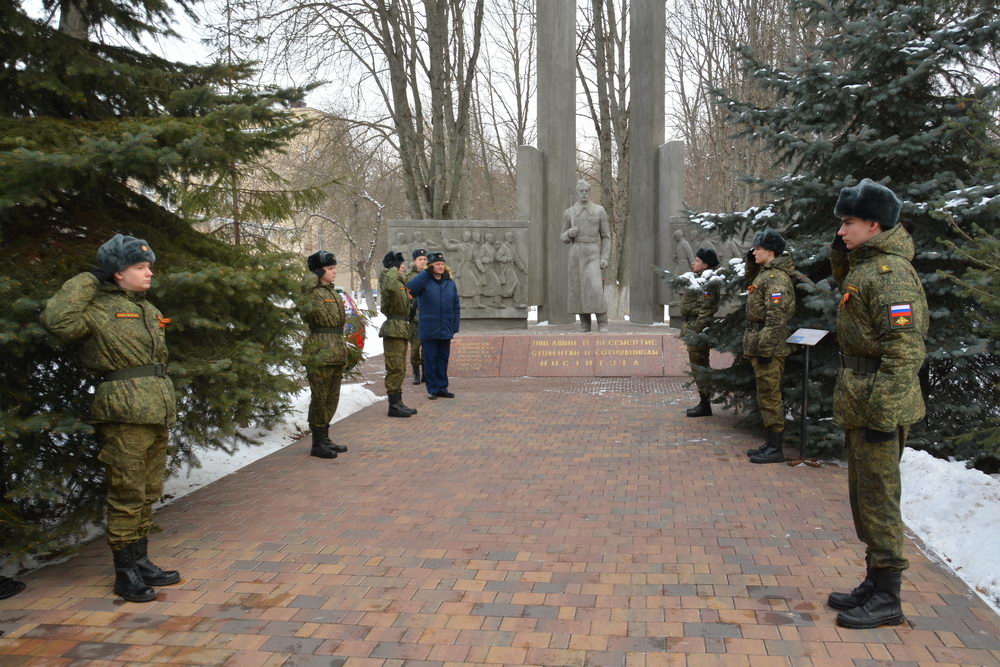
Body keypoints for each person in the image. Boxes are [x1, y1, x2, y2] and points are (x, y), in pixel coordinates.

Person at [41, 234, 180, 603]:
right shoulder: (98, 308)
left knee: (148, 491)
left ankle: (142, 560)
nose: (149, 272)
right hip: (124, 411)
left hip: (154, 410)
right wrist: (90, 278)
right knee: (126, 492)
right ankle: (124, 573)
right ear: (118, 273)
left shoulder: (148, 309)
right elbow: (57, 320)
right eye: (140, 266)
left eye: (148, 266)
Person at [827, 179, 927, 630]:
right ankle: (874, 580)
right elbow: (845, 282)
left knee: (880, 500)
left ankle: (889, 596)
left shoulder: (892, 274)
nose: (842, 231)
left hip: (880, 405)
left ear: (874, 224)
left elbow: (904, 350)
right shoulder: (866, 267)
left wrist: (883, 415)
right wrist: (841, 249)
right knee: (864, 496)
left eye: (848, 223)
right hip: (862, 400)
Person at [742, 228, 796, 464]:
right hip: (761, 343)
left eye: (758, 248)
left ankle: (776, 448)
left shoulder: (777, 279)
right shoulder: (765, 274)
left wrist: (765, 349)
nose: (754, 252)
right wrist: (750, 263)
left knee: (770, 394)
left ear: (771, 252)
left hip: (770, 347)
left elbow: (775, 317)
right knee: (765, 393)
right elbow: (751, 285)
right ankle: (770, 443)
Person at [298, 251, 350, 460]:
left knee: (331, 397)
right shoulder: (311, 291)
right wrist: (312, 274)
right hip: (319, 351)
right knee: (319, 397)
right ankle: (317, 443)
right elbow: (304, 301)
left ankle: (325, 437)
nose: (334, 271)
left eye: (334, 267)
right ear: (319, 271)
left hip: (335, 349)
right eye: (329, 268)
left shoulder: (332, 292)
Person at [407, 252, 460, 400]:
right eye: (437, 264)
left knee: (443, 359)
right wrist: (425, 273)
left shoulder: (450, 283)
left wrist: (455, 325)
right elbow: (411, 288)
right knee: (430, 360)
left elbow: (456, 305)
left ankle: (442, 387)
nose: (440, 267)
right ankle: (432, 389)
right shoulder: (424, 282)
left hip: (446, 328)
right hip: (429, 328)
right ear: (431, 267)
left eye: (442, 264)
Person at [561, 179, 611, 332]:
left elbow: (606, 236)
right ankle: (585, 322)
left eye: (586, 191)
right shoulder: (569, 213)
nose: (583, 194)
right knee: (579, 289)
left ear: (589, 192)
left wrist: (605, 257)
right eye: (581, 191)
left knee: (595, 288)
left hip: (592, 252)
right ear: (577, 193)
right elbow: (562, 238)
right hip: (576, 253)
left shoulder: (599, 210)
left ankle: (602, 321)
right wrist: (569, 233)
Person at [681, 248, 721, 418]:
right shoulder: (700, 279)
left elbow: (706, 310)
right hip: (693, 329)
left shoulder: (708, 282)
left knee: (701, 367)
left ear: (705, 265)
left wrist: (696, 331)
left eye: (697, 261)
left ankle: (705, 405)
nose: (693, 263)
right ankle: (704, 403)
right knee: (698, 367)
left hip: (699, 332)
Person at [378, 250, 418, 418]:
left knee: (400, 368)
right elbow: (388, 284)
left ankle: (398, 402)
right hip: (393, 328)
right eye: (400, 266)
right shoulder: (389, 278)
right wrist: (393, 267)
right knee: (395, 367)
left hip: (401, 327)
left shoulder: (399, 281)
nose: (403, 268)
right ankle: (393, 405)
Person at [406, 249, 428, 384]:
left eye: (425, 259)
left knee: (427, 349)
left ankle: (426, 374)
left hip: (427, 319)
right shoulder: (408, 277)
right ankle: (416, 374)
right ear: (414, 261)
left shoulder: (431, 276)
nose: (423, 262)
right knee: (415, 349)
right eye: (420, 259)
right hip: (414, 320)